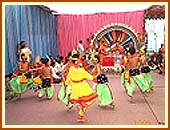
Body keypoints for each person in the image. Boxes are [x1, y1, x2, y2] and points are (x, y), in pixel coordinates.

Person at [64, 53, 98, 122]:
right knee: (86, 100)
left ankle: (80, 113)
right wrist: (95, 78)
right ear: (77, 61)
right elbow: (89, 76)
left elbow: (68, 77)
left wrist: (66, 83)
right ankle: (80, 114)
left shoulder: (71, 68)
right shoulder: (81, 70)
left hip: (74, 87)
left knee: (80, 100)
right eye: (79, 59)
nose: (81, 60)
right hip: (82, 87)